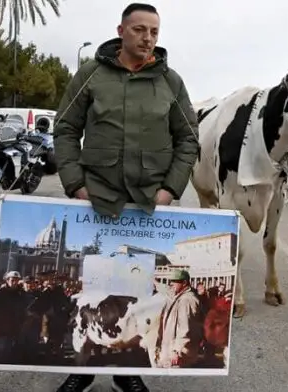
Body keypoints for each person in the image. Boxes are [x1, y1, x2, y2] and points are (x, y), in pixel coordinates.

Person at [53, 3, 199, 391]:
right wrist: (75, 184)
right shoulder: (91, 75)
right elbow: (65, 128)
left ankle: (128, 371)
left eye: (154, 31)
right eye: (139, 29)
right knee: (92, 292)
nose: (148, 37)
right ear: (121, 31)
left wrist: (170, 189)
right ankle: (80, 370)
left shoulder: (171, 82)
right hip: (96, 202)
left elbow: (188, 139)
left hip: (149, 207)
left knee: (135, 297)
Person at [154, 270, 204, 368]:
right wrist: (155, 283)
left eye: (175, 281)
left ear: (184, 283)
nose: (171, 283)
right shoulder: (180, 295)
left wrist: (177, 351)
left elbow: (185, 328)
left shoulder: (186, 300)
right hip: (173, 350)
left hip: (179, 355)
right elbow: (167, 290)